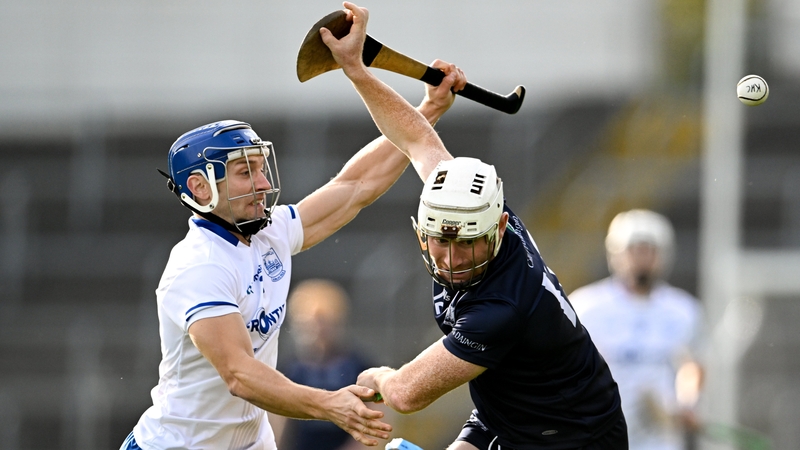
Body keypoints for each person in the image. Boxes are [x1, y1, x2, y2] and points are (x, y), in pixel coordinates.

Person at [120, 3, 468, 449]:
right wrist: (329, 404)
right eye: (246, 172)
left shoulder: (268, 232)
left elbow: (356, 185)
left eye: (261, 167)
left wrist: (426, 114)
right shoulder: (198, 265)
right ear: (200, 187)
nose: (264, 183)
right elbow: (240, 375)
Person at [346, 14, 626, 450]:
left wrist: (376, 377)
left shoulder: (501, 307)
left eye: (468, 244)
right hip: (510, 413)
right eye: (441, 241)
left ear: (497, 228)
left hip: (571, 438)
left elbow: (405, 393)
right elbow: (417, 140)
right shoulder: (471, 207)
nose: (453, 259)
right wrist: (356, 70)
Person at [568, 209, 704, 450]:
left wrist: (685, 405)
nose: (642, 259)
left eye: (649, 250)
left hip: (659, 438)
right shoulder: (586, 306)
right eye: (634, 250)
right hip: (600, 431)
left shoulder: (684, 310)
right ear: (615, 254)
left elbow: (691, 365)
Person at [271, 279, 374, 450]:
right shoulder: (291, 369)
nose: (317, 332)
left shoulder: (358, 368)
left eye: (324, 323)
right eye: (309, 325)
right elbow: (278, 426)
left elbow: (375, 423)